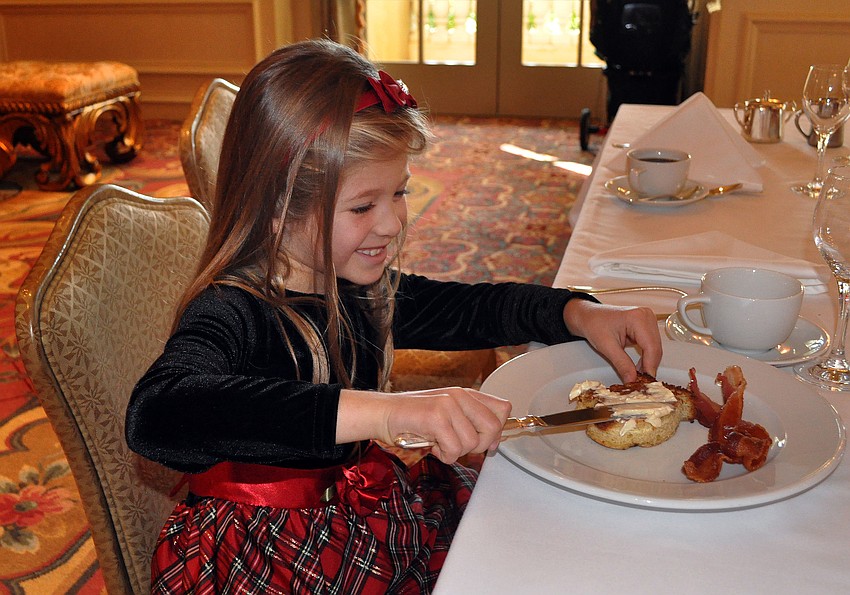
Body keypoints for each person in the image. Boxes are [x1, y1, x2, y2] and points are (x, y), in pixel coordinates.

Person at [126, 38, 662, 594]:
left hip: (360, 506)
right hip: (267, 557)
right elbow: (158, 413)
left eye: (400, 192)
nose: (392, 223)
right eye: (363, 206)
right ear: (280, 205)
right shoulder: (233, 309)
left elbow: (467, 308)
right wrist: (383, 414)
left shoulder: (349, 283)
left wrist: (575, 311)